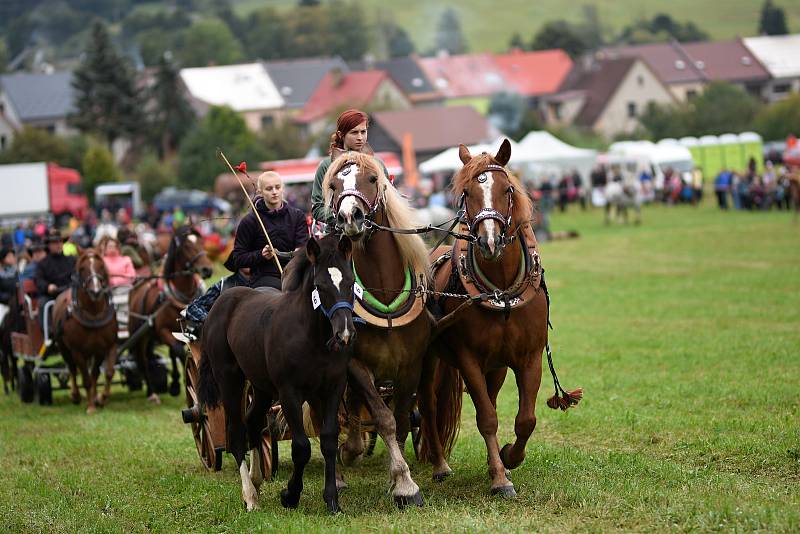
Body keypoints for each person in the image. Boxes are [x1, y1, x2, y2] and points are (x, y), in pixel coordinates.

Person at [230, 171, 309, 290]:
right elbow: (238, 258)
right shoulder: (250, 221)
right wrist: (260, 255)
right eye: (269, 188)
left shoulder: (298, 216)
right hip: (264, 278)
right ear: (260, 192)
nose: (274, 192)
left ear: (283, 188)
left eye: (277, 187)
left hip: (295, 274)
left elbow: (304, 248)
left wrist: (299, 253)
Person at [311, 109, 390, 227]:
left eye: (363, 132)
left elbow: (388, 200)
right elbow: (317, 208)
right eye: (354, 132)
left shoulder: (377, 164)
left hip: (374, 232)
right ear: (340, 135)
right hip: (338, 233)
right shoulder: (327, 166)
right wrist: (342, 217)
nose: (360, 137)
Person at [34, 229, 77, 334]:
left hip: (70, 291)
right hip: (52, 294)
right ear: (48, 245)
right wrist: (48, 286)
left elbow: (77, 275)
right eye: (54, 242)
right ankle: (49, 333)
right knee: (42, 303)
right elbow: (38, 280)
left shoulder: (71, 260)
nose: (58, 244)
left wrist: (74, 284)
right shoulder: (42, 264)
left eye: (60, 241)